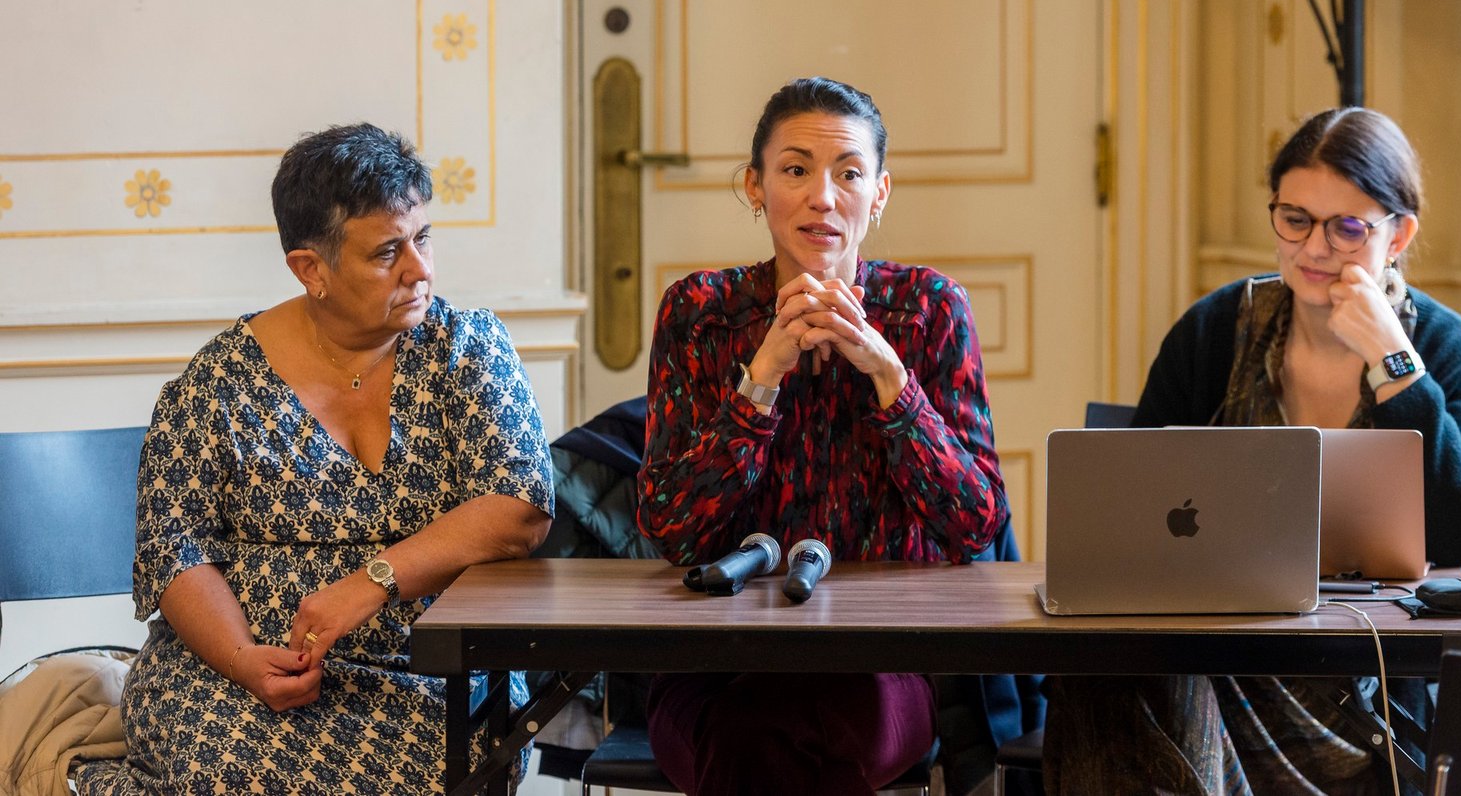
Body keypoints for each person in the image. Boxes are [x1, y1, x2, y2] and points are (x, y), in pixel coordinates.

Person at [1044, 107, 1461, 795]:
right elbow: (1129, 502)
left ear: (1398, 234)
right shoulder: (1214, 331)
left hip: (1362, 681)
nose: (1314, 248)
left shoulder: (1449, 351)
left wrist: (1396, 366)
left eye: (1346, 228)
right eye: (1295, 219)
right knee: (1114, 675)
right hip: (1214, 650)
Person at [78, 123, 555, 796]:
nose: (420, 269)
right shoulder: (220, 380)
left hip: (432, 676)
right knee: (230, 773)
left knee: (446, 768)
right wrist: (243, 659)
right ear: (311, 269)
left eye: (422, 239)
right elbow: (175, 549)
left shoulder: (468, 350)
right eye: (387, 252)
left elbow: (519, 509)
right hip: (235, 680)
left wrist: (370, 582)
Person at [636, 77, 1011, 796]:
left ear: (880, 192)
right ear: (755, 185)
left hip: (882, 662)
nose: (823, 198)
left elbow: (976, 523)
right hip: (716, 660)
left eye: (849, 174)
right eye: (795, 170)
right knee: (757, 732)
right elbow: (671, 530)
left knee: (765, 740)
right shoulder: (700, 312)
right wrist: (761, 379)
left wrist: (890, 377)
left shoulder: (929, 309)